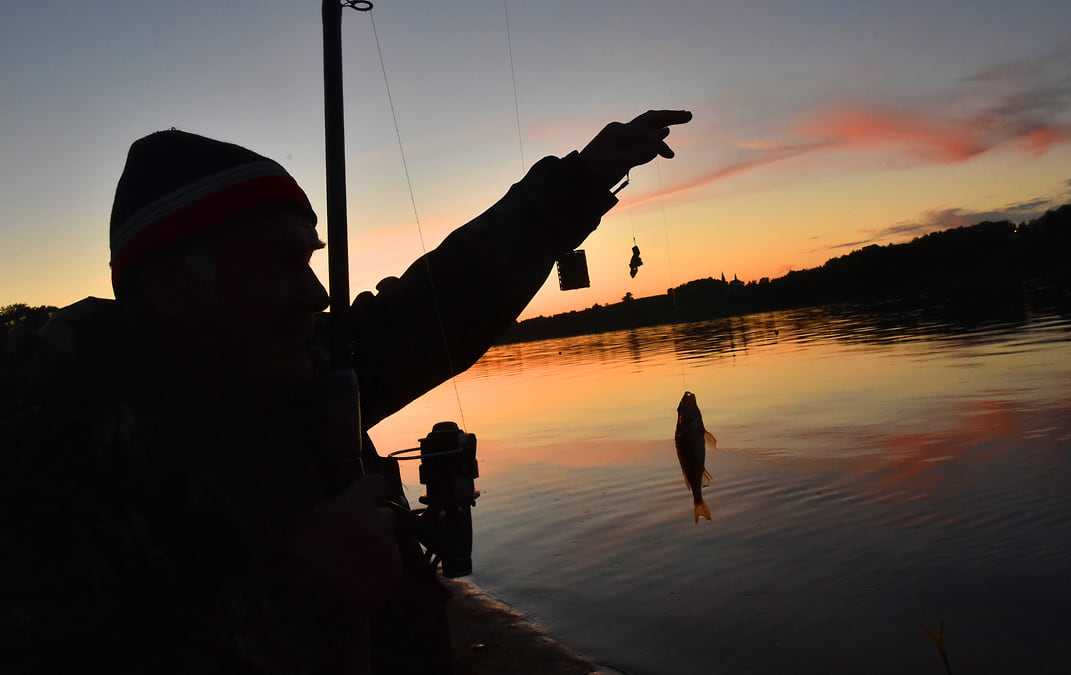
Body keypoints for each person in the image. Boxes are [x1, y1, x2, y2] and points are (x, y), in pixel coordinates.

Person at [0, 110, 691, 674]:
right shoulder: (44, 459)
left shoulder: (287, 366)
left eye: (310, 256)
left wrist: (581, 183)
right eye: (279, 260)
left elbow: (440, 304)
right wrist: (309, 597)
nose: (317, 293)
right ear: (171, 287)